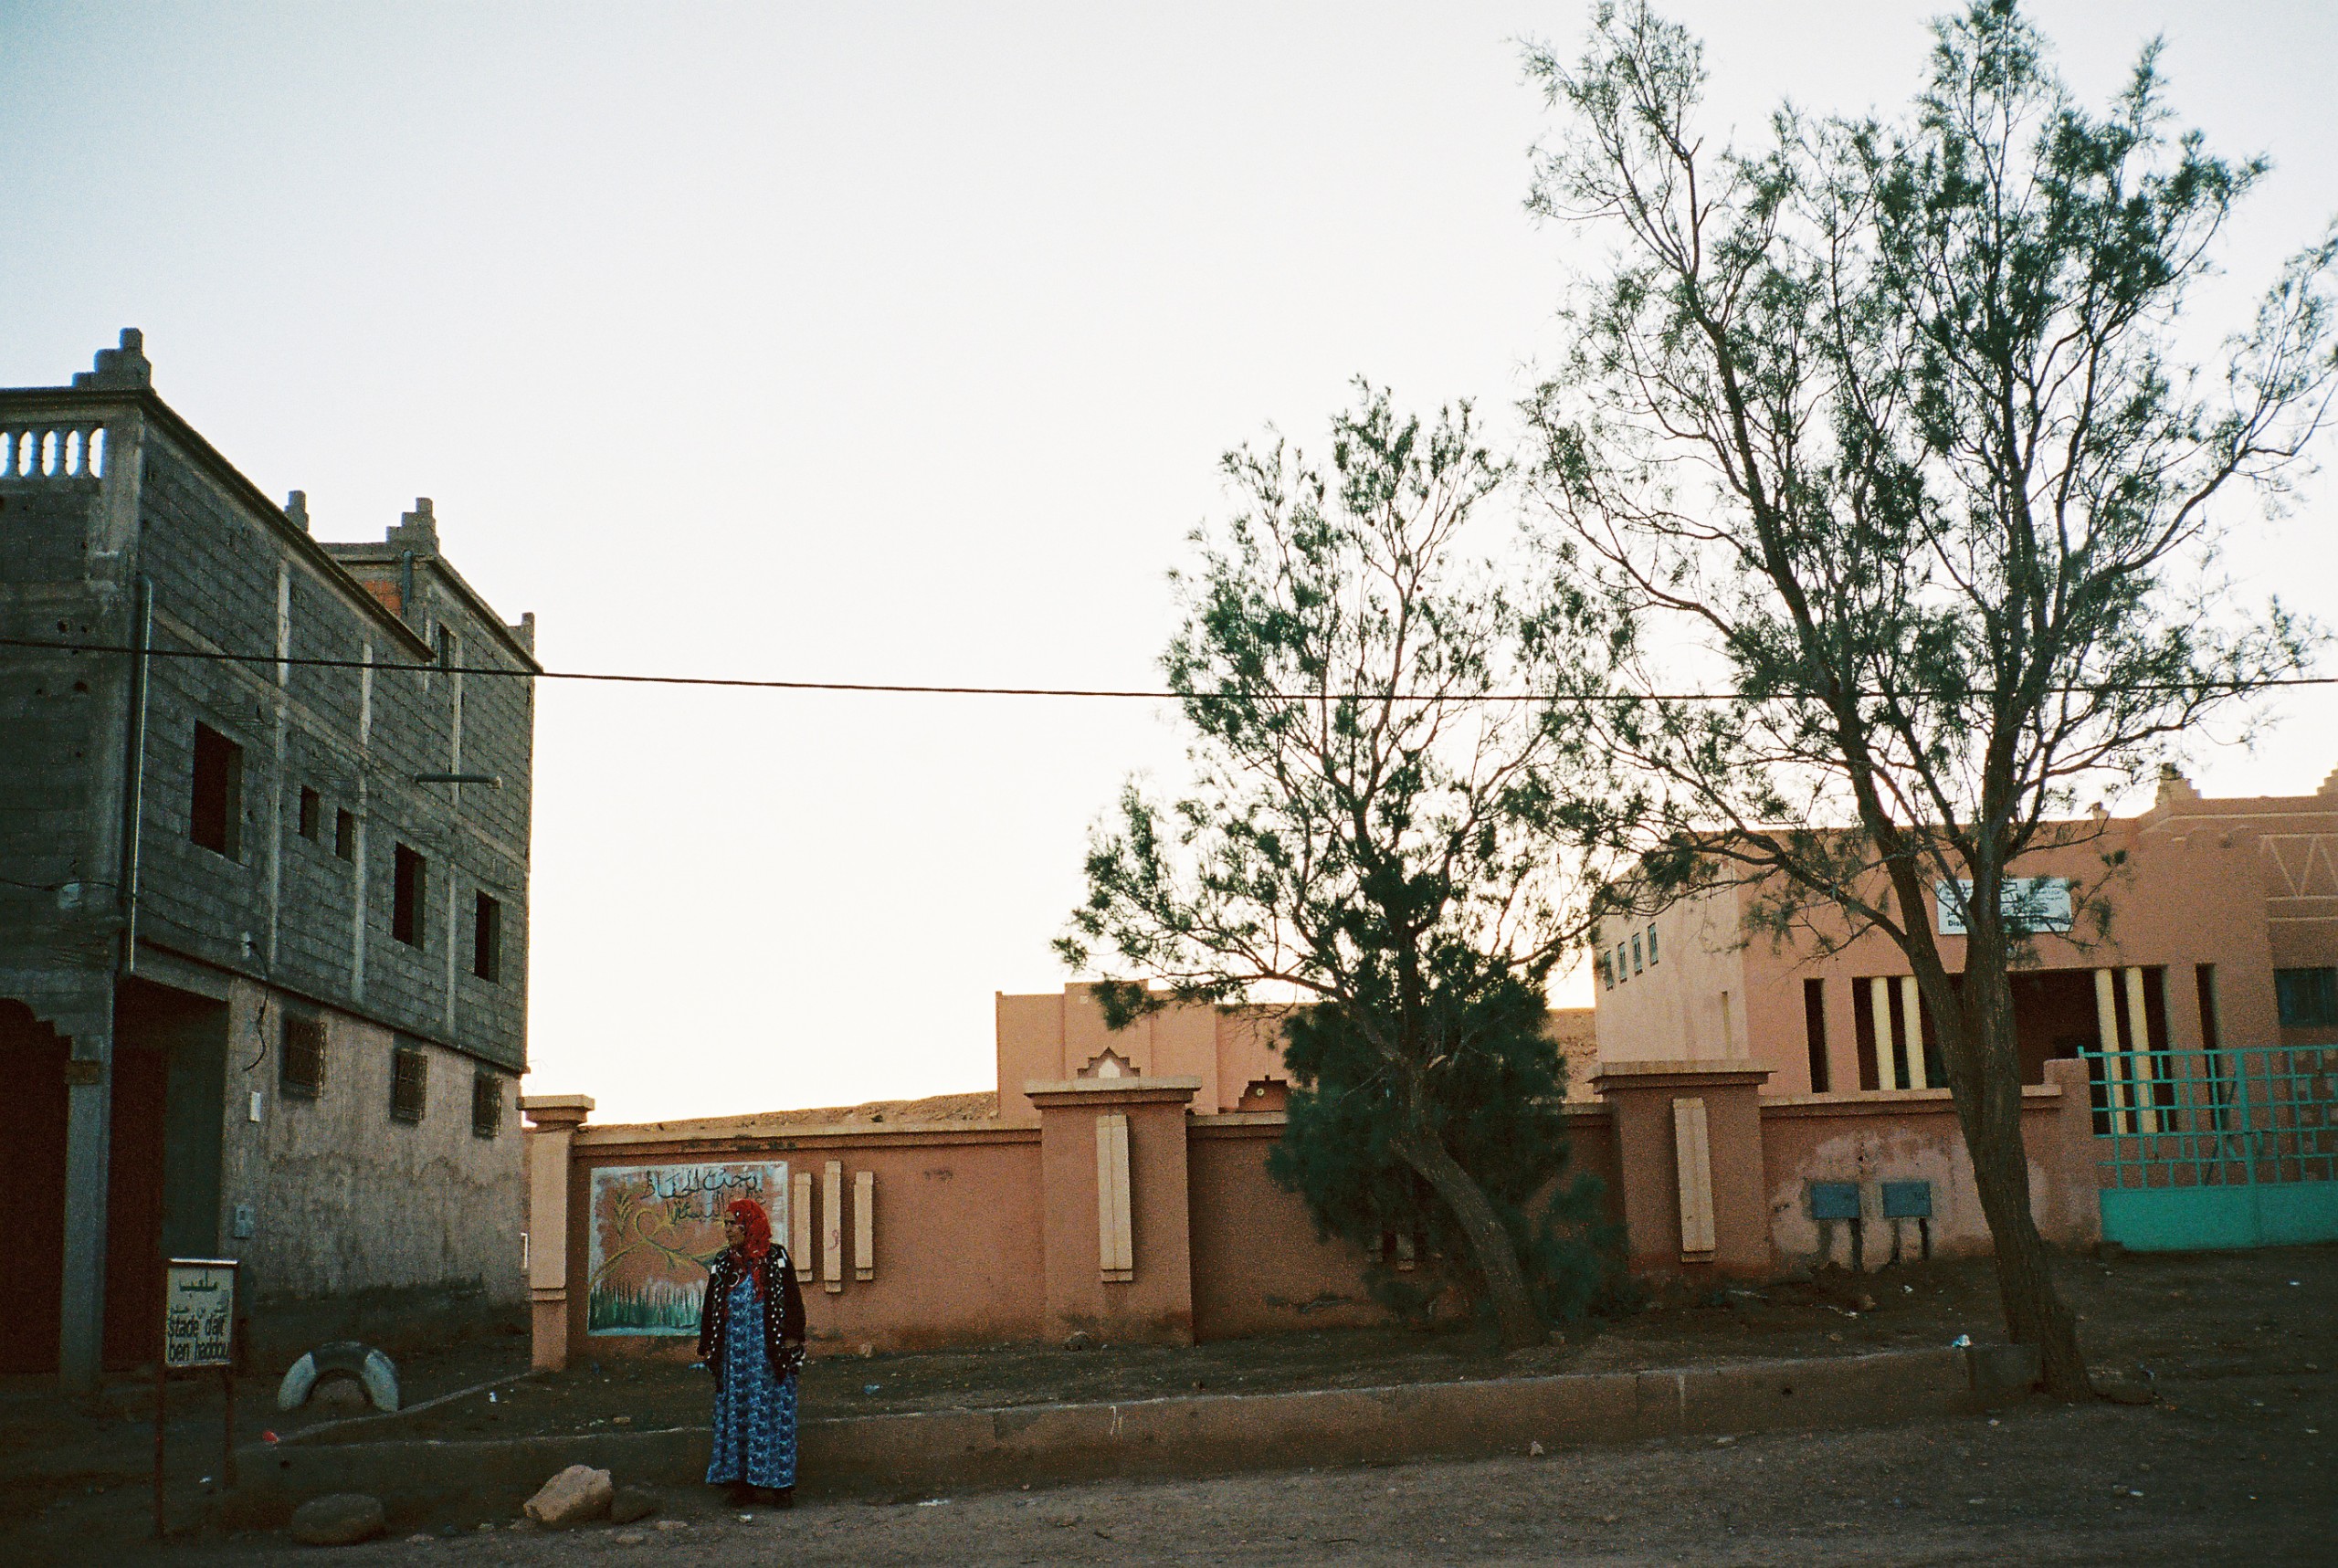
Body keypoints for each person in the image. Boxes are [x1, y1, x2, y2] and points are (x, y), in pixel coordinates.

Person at [697, 1195, 806, 1507]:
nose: (727, 1230)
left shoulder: (776, 1258)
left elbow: (793, 1300)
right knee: (738, 1415)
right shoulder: (723, 1262)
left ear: (750, 1224)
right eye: (726, 1224)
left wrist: (793, 1338)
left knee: (772, 1414)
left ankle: (780, 1488)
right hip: (735, 1359)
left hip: (767, 1357)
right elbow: (711, 1306)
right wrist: (707, 1345)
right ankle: (741, 1486)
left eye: (733, 1223)